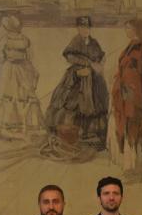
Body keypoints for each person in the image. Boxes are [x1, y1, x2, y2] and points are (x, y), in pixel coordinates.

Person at [45, 16, 109, 150]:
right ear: (78, 28)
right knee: (73, 103)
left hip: (93, 78)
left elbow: (101, 56)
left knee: (95, 103)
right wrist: (88, 63)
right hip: (77, 77)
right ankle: (72, 134)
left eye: (87, 27)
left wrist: (99, 64)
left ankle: (90, 134)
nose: (85, 30)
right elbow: (70, 57)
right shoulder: (76, 40)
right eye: (82, 27)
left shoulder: (94, 42)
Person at [0, 16, 45, 141]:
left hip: (10, 68)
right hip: (21, 68)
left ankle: (10, 128)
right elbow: (29, 56)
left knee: (11, 95)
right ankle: (22, 128)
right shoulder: (24, 39)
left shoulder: (6, 39)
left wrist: (6, 62)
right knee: (21, 95)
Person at [110, 18, 142, 172]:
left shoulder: (140, 48)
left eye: (129, 28)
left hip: (133, 91)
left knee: (133, 122)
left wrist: (126, 85)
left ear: (136, 29)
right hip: (127, 89)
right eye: (126, 27)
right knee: (128, 122)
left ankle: (135, 163)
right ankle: (131, 162)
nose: (126, 30)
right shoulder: (132, 45)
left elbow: (138, 72)